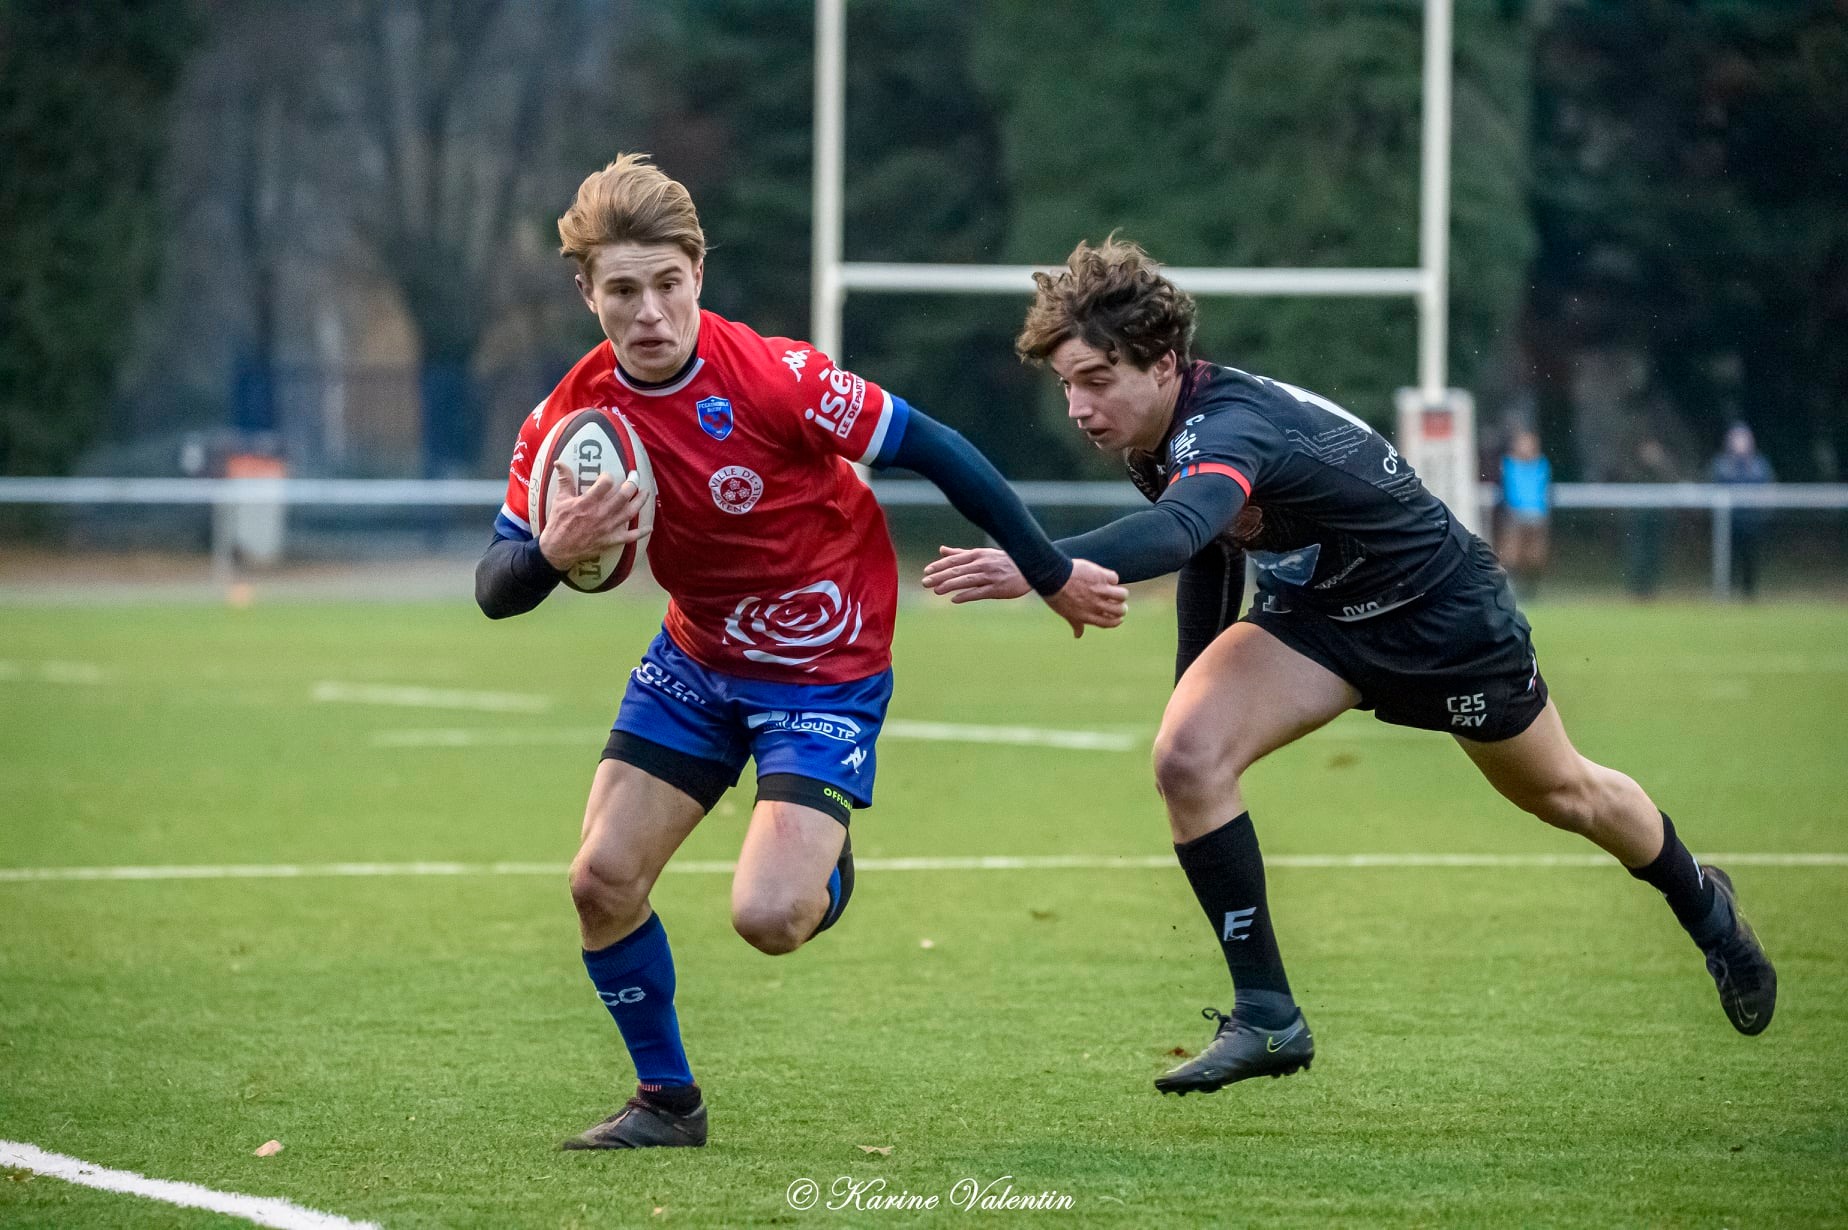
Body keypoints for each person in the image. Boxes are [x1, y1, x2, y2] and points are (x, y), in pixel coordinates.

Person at [924, 237, 1776, 1095]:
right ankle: (1268, 1016)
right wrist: (1195, 688)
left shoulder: (1228, 426)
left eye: (1096, 379)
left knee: (1565, 794)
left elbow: (1182, 532)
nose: (1077, 405)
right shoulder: (1156, 441)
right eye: (1067, 383)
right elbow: (1214, 555)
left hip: (1441, 615)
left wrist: (1040, 563)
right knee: (1188, 757)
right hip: (1322, 620)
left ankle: (1705, 906)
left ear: (1164, 364)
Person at [475, 156, 1128, 1149]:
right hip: (696, 660)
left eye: (667, 283)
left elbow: (936, 446)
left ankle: (824, 855)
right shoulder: (573, 417)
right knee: (599, 880)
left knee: (772, 919)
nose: (648, 312)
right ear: (586, 291)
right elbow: (495, 585)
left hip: (825, 659)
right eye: (622, 290)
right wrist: (553, 556)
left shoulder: (776, 379)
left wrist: (1047, 572)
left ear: (698, 273)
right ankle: (667, 1103)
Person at [1708, 423, 1775, 599]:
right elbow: (1714, 488)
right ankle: (1726, 593)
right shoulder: (1722, 465)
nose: (1740, 443)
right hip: (1728, 522)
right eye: (1737, 439)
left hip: (1751, 521)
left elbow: (1767, 490)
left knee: (1750, 558)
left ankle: (1748, 594)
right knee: (1728, 559)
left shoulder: (1759, 464)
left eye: (1743, 439)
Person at [1496, 429, 1551, 599]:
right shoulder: (1508, 465)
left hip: (1537, 516)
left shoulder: (1541, 465)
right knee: (1511, 555)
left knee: (1535, 556)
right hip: (1514, 515)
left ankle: (1530, 592)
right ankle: (1510, 589)